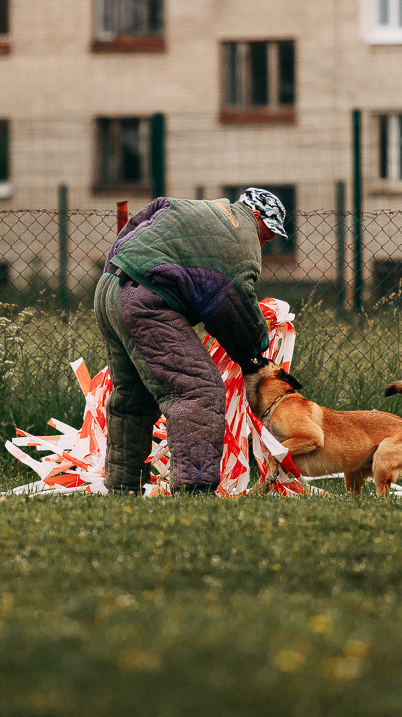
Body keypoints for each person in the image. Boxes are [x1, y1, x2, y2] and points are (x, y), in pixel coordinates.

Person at [94, 188, 288, 495]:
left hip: (109, 288)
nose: (265, 243)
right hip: (144, 300)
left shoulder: (204, 208)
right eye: (267, 235)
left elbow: (143, 218)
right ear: (255, 216)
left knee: (133, 396)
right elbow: (233, 299)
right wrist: (254, 351)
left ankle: (123, 487)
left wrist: (118, 269)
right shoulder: (243, 237)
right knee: (198, 389)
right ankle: (194, 491)